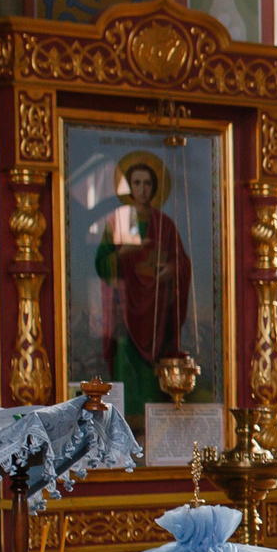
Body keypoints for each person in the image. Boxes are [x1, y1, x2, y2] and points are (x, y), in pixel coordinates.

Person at [92, 151, 194, 421]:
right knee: (126, 358)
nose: (142, 189)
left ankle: (153, 421)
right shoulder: (120, 221)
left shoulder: (165, 225)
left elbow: (182, 263)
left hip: (157, 314)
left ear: (155, 187)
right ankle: (126, 420)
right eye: (136, 183)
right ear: (129, 187)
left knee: (153, 373)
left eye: (147, 183)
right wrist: (122, 254)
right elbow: (102, 263)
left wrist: (172, 271)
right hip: (126, 309)